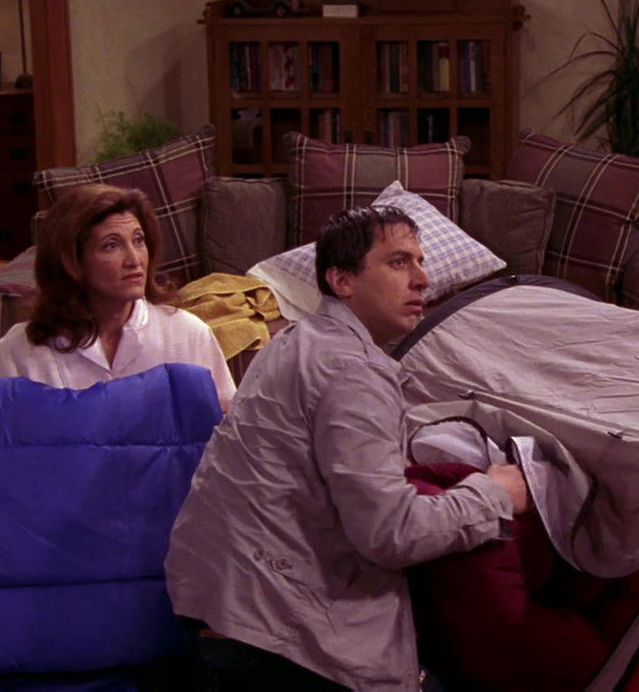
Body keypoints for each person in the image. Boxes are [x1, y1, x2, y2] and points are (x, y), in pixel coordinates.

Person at [165, 204, 529, 691]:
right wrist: (493, 495)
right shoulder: (352, 370)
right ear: (342, 280)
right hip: (273, 634)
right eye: (398, 262)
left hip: (215, 602)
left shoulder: (293, 340)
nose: (422, 279)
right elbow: (391, 534)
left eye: (421, 262)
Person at [0, 183, 236, 410]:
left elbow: (227, 435)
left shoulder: (188, 335)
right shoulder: (19, 351)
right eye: (111, 245)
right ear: (72, 260)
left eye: (138, 241)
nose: (134, 260)